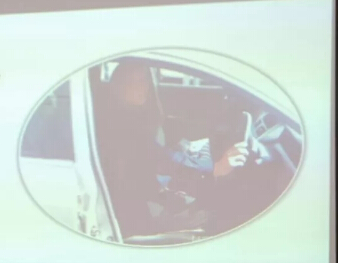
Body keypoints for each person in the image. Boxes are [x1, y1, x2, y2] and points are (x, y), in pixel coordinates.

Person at [95, 59, 248, 239]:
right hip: (135, 216)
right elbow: (162, 163)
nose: (141, 87)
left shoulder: (134, 116)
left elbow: (153, 165)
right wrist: (214, 170)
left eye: (143, 79)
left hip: (147, 198)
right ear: (118, 87)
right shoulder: (121, 128)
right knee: (220, 217)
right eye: (131, 81)